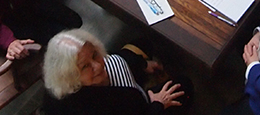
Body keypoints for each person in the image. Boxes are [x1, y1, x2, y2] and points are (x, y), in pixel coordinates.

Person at [42, 28, 191, 115]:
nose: (99, 66)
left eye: (95, 55)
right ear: (70, 76)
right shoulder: (89, 108)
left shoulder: (58, 82)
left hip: (133, 93)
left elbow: (114, 57)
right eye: (85, 67)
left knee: (143, 43)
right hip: (142, 106)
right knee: (183, 85)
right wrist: (158, 104)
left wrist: (142, 64)